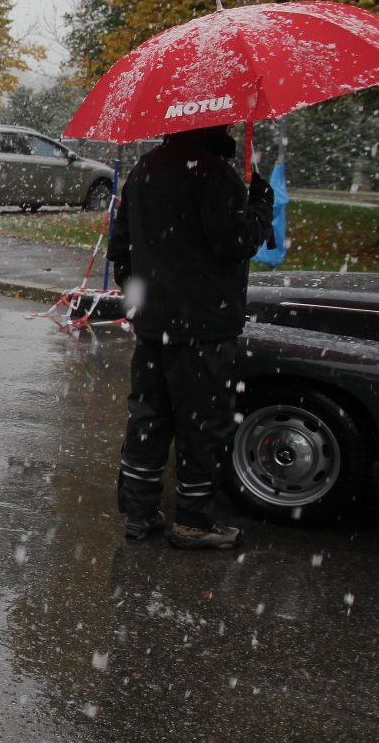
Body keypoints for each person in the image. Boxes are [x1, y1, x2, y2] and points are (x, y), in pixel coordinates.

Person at [107, 123, 274, 551]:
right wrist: (260, 207)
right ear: (214, 124)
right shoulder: (215, 174)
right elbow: (234, 242)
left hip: (152, 325)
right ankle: (194, 523)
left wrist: (142, 300)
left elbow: (120, 247)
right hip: (203, 326)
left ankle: (139, 512)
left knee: (148, 417)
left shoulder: (144, 170)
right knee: (201, 424)